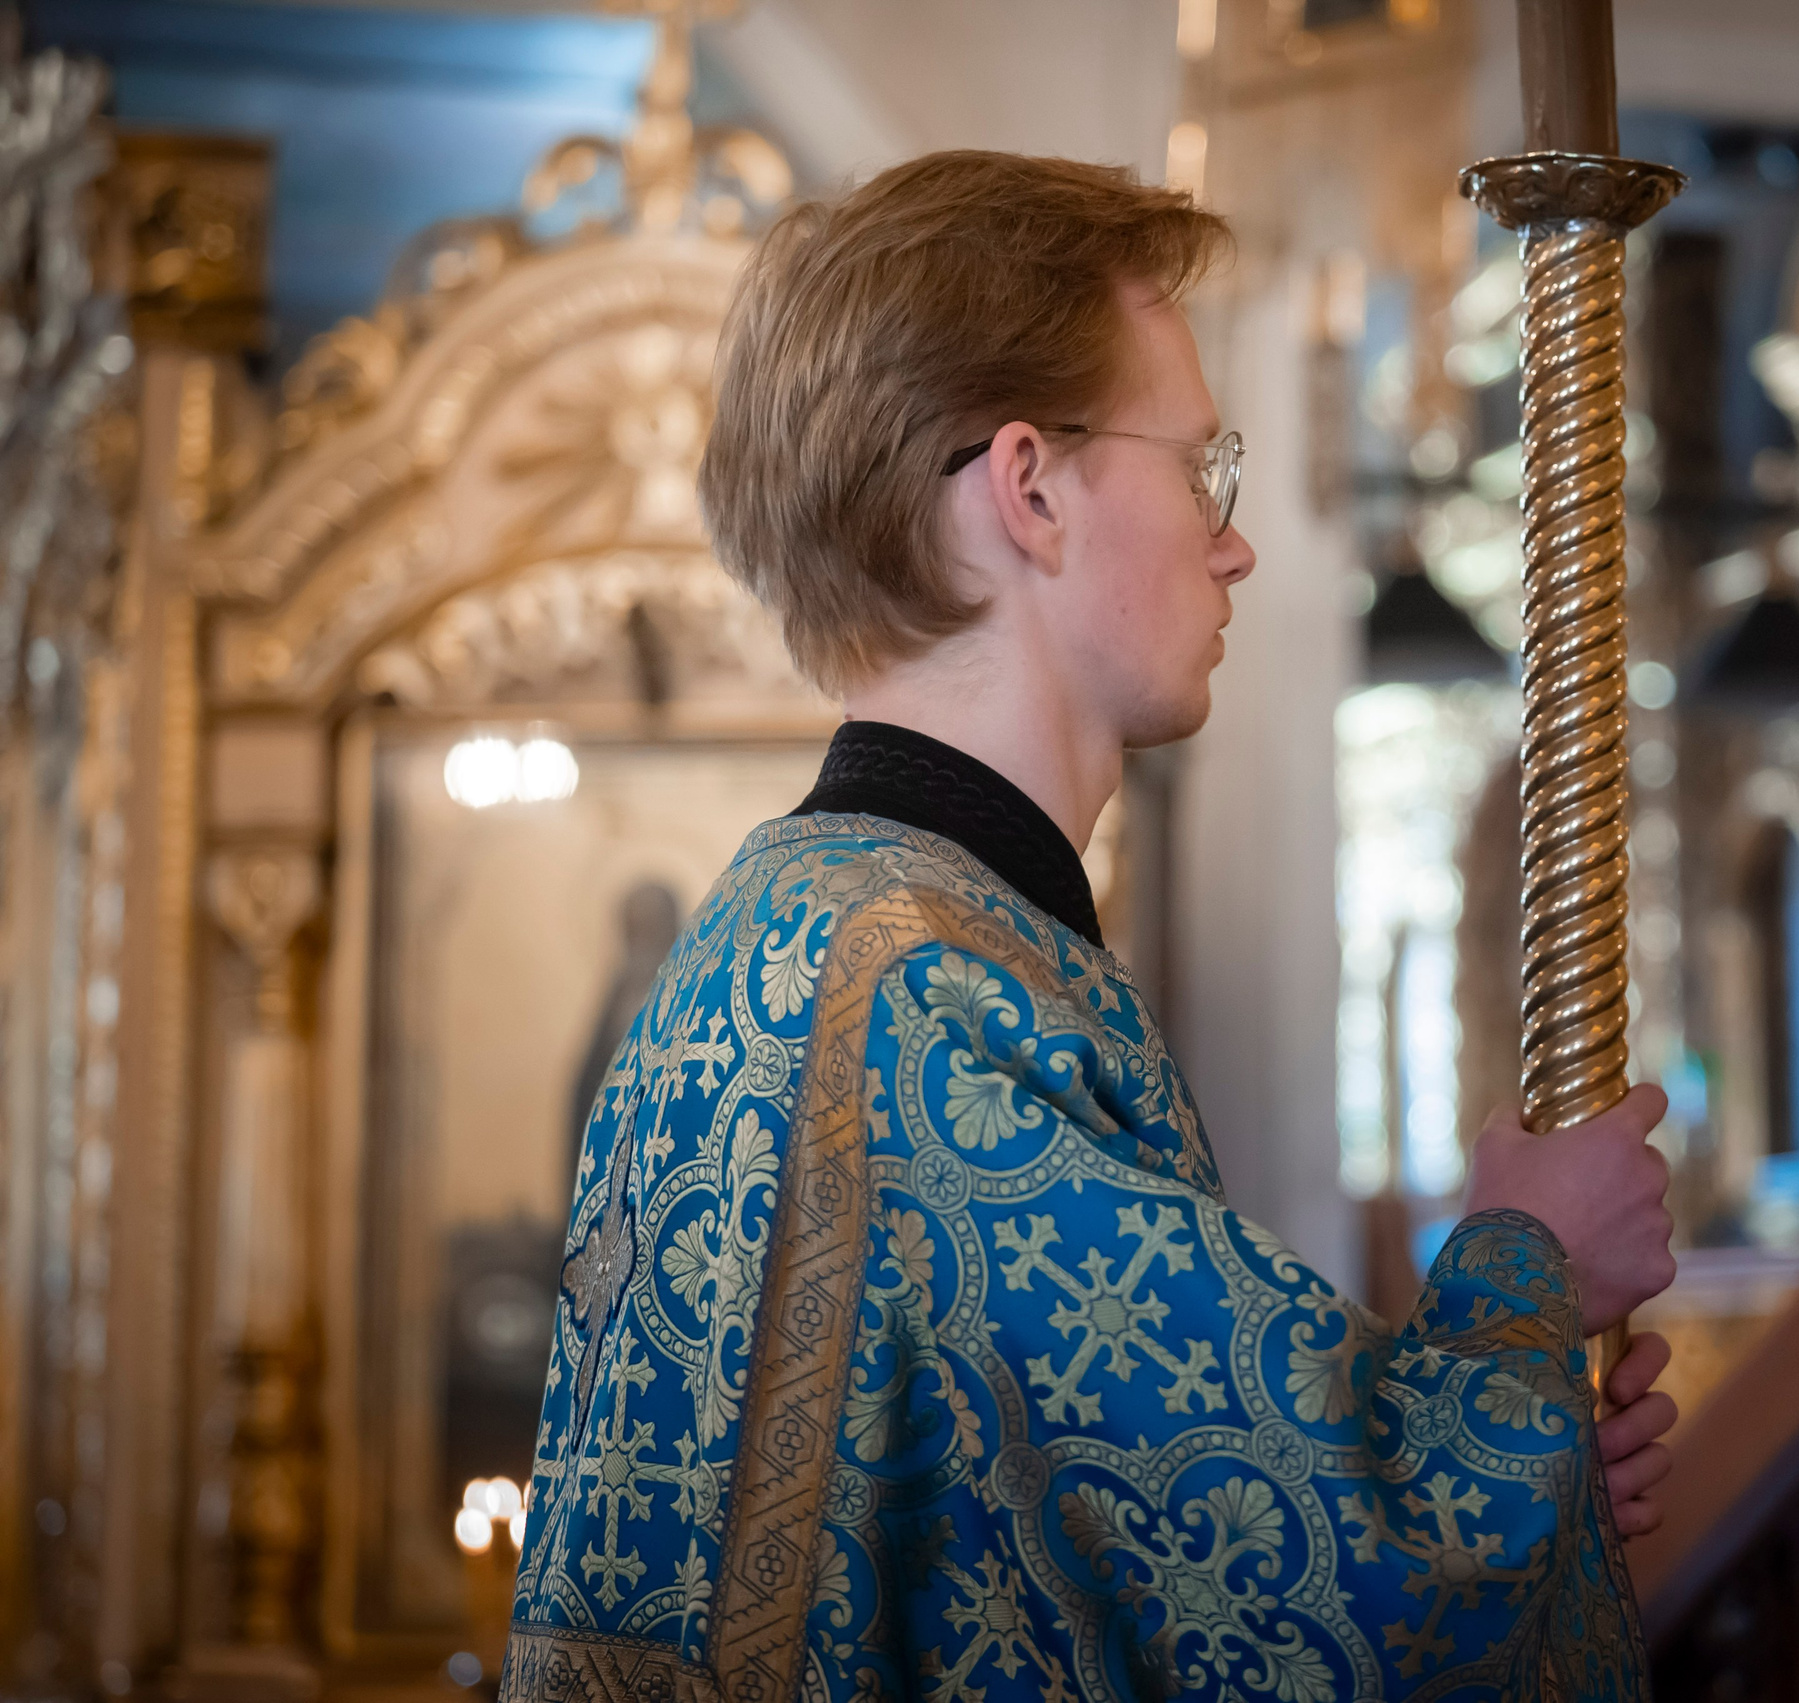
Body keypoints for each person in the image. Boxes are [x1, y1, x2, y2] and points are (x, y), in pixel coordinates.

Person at [502, 150, 1680, 1703]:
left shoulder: (794, 946)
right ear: (1030, 489)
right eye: (1201, 466)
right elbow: (1361, 1581)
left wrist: (1513, 1448)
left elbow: (1075, 1556)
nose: (1235, 539)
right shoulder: (924, 999)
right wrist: (1524, 1284)